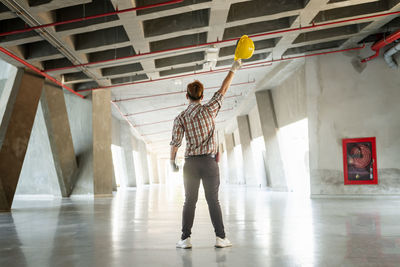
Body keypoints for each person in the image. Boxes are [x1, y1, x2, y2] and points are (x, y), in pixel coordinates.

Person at [169, 59, 242, 249]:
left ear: (187, 96)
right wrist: (233, 68)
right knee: (213, 200)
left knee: (189, 201)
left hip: (190, 165)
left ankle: (185, 239)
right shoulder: (210, 110)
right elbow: (223, 90)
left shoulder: (181, 118)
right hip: (209, 164)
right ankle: (221, 238)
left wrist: (172, 162)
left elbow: (175, 143)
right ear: (202, 96)